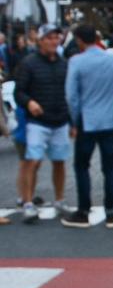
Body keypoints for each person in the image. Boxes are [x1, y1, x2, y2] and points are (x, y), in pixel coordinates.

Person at [62, 25, 113, 229]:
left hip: (87, 119)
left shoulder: (77, 61)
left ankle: (84, 211)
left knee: (81, 166)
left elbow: (72, 96)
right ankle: (111, 213)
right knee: (109, 168)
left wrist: (75, 119)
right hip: (110, 119)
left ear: (79, 40)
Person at [13, 24, 72, 223]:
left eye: (56, 38)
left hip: (60, 119)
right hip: (37, 121)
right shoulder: (29, 63)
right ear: (40, 41)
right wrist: (30, 102)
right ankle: (28, 202)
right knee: (33, 161)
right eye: (49, 38)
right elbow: (18, 91)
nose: (53, 41)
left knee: (59, 161)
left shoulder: (64, 64)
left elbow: (70, 94)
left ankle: (60, 199)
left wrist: (73, 122)